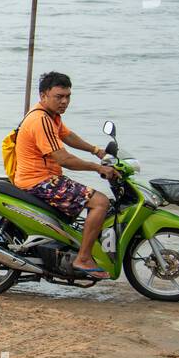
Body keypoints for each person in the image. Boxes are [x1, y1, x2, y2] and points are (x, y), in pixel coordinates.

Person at [12, 71, 119, 279]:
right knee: (100, 202)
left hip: (44, 178)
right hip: (40, 181)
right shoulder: (41, 120)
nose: (64, 101)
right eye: (59, 97)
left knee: (90, 200)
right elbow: (64, 159)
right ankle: (84, 258)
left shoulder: (51, 116)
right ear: (43, 96)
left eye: (68, 96)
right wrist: (98, 168)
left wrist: (96, 150)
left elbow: (68, 136)